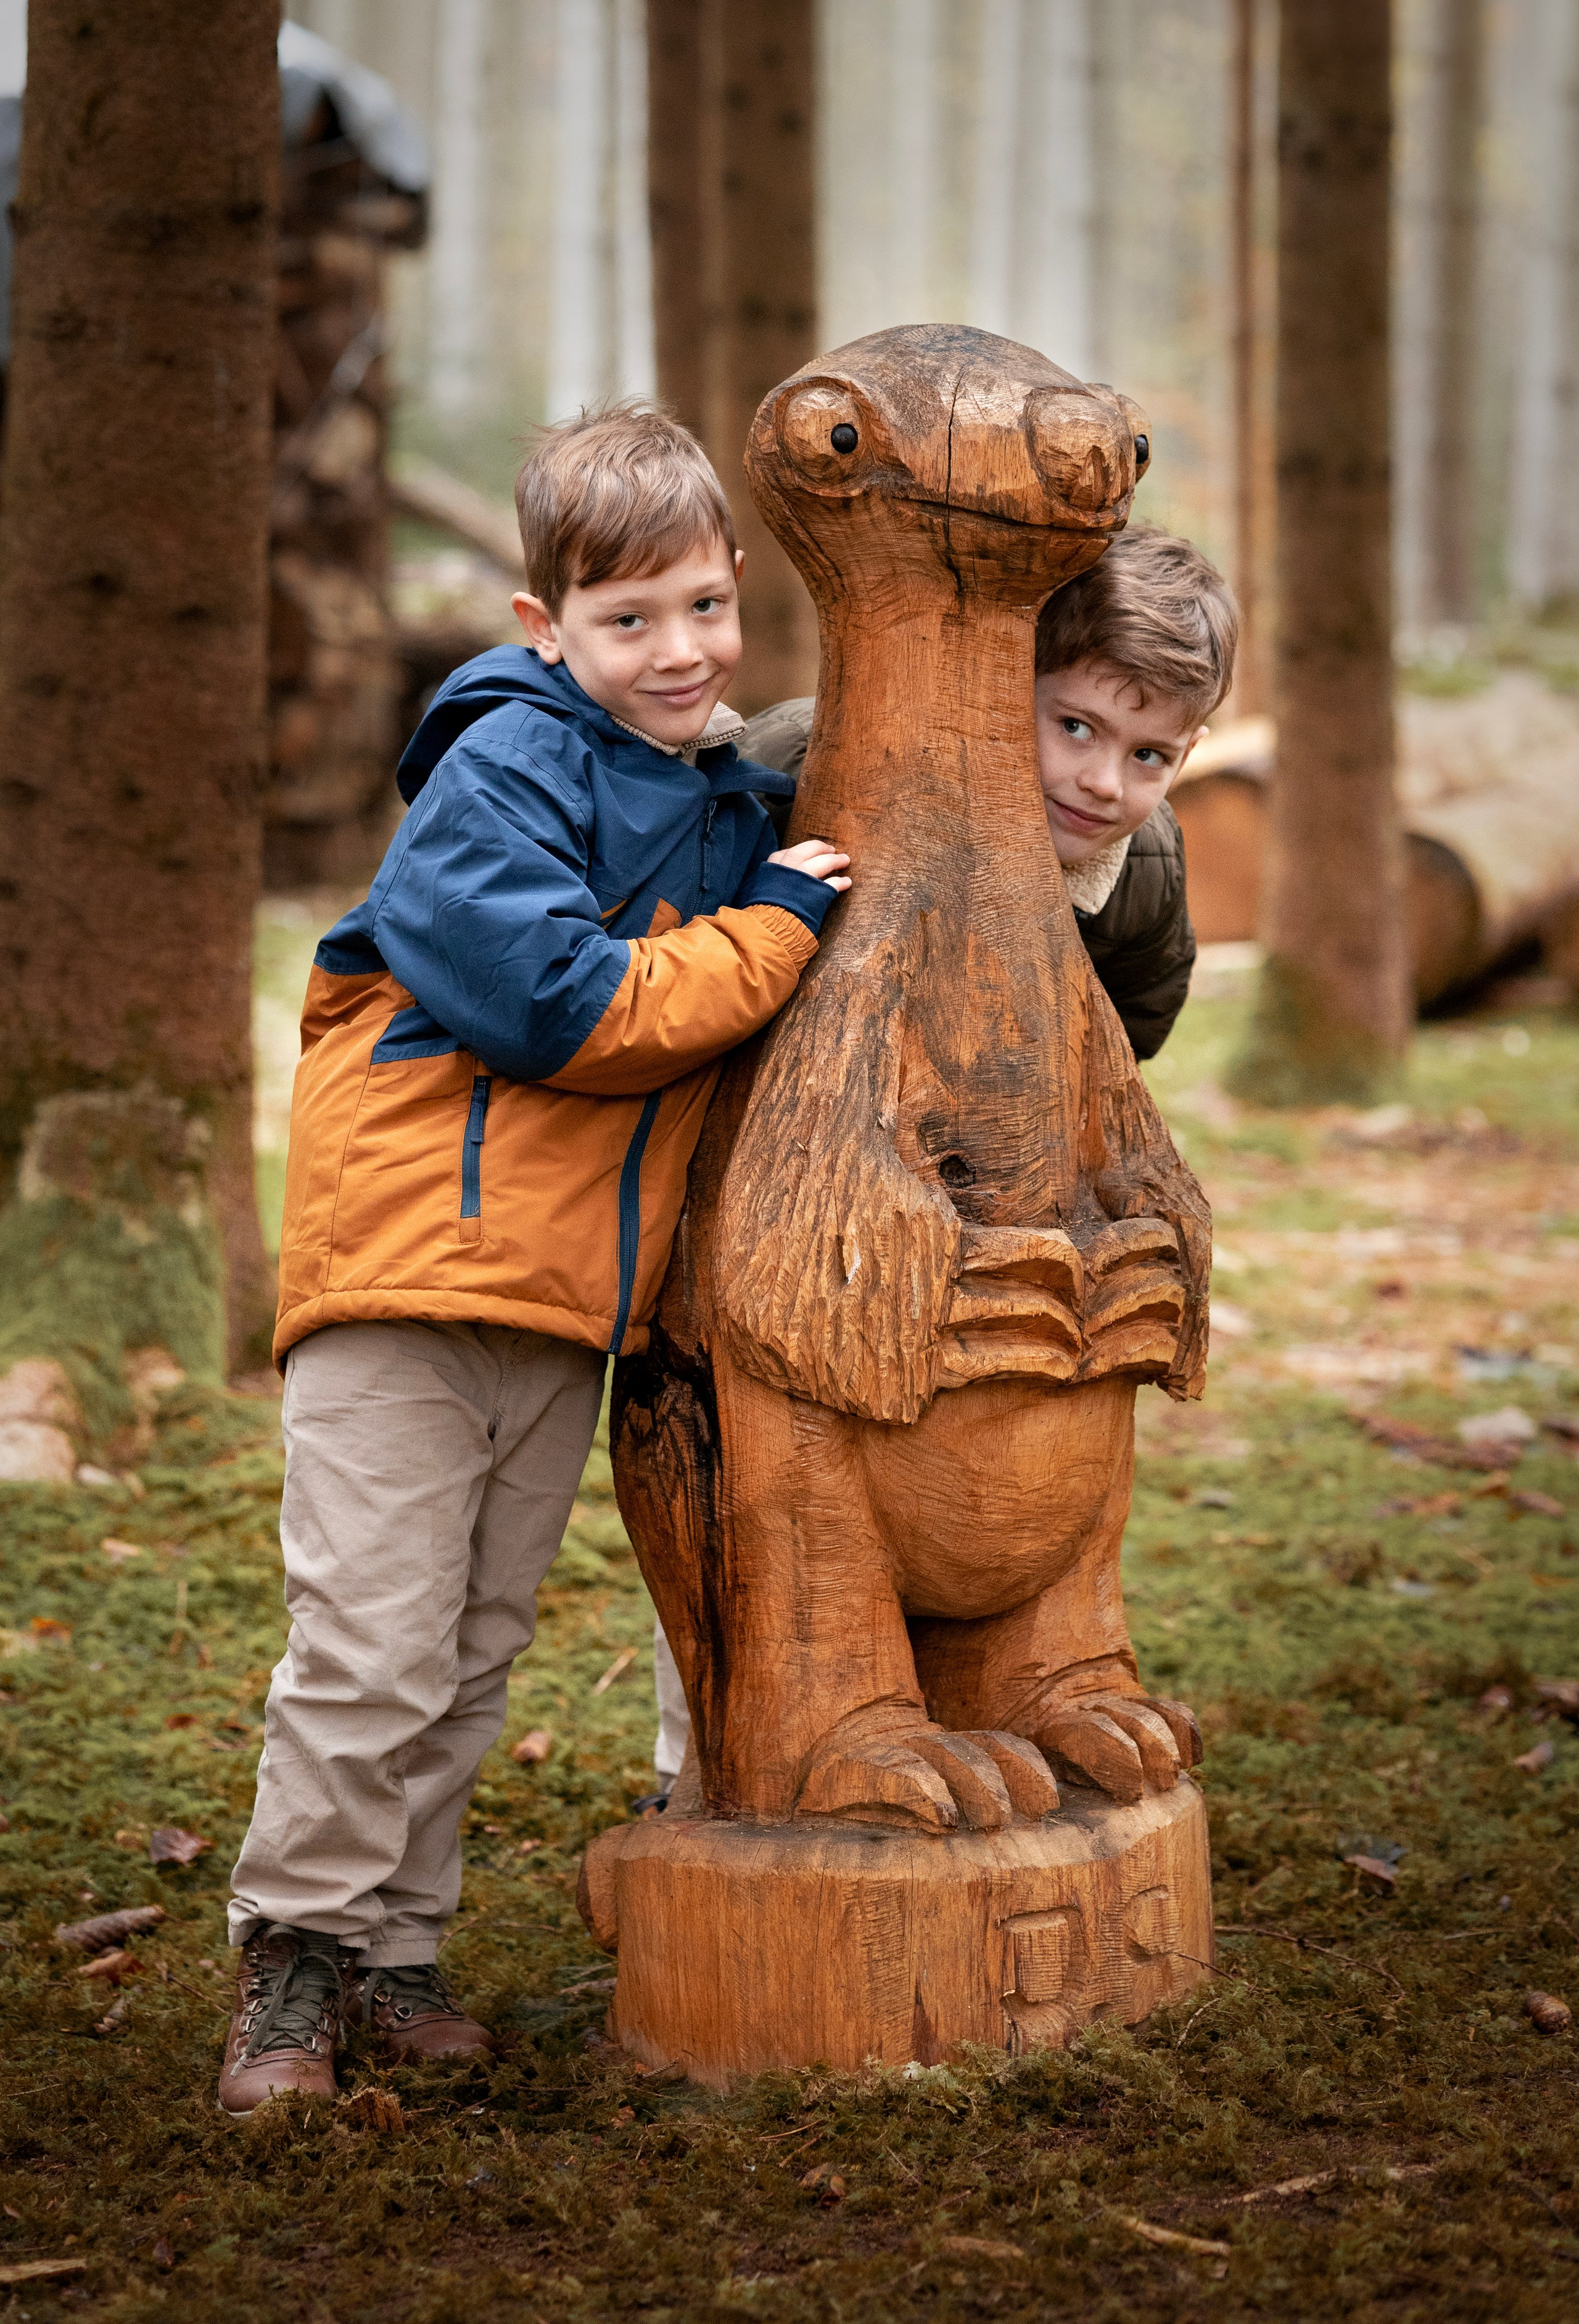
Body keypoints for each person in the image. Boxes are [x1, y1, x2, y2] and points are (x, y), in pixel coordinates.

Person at [220, 403, 851, 2119]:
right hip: (411, 1283)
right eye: (629, 620)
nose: (678, 652)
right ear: (541, 631)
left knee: (476, 1641)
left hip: (564, 1304)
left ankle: (399, 1945)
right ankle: (295, 1958)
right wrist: (777, 926)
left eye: (707, 609)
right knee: (369, 1642)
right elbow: (568, 1010)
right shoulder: (495, 774)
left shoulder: (721, 798)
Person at [642, 525, 1237, 1805]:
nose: (1100, 782)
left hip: (988, 1232)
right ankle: (715, 1767)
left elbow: (1126, 1037)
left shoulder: (1138, 874)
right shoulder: (815, 762)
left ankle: (1038, 1675)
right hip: (772, 1197)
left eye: (1148, 755)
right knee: (775, 1459)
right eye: (1070, 726)